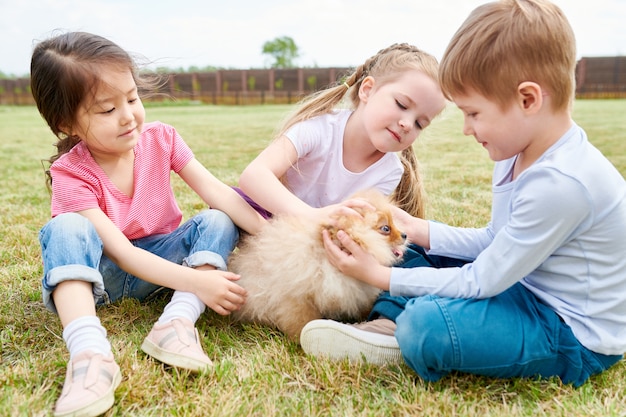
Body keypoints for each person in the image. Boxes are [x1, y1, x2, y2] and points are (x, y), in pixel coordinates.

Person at [300, 0, 626, 387]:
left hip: (568, 333)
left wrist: (377, 276)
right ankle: (386, 322)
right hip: (518, 287)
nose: (467, 129)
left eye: (473, 113)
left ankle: (402, 332)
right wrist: (420, 229)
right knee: (409, 250)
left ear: (527, 100)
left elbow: (481, 282)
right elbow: (494, 241)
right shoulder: (516, 153)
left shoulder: (563, 184)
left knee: (427, 324)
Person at [31, 32, 267, 417]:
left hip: (163, 267)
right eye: (106, 110)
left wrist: (272, 231)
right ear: (66, 123)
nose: (128, 116)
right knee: (65, 228)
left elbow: (219, 192)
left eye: (131, 98)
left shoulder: (162, 139)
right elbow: (122, 254)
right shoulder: (70, 174)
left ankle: (176, 323)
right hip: (102, 278)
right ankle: (90, 355)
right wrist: (198, 281)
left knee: (218, 217)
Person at [236, 43, 446, 221]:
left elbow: (349, 224)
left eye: (420, 123)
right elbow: (254, 176)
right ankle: (208, 268)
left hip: (310, 244)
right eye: (401, 104)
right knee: (218, 220)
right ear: (367, 90)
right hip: (265, 218)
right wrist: (312, 217)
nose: (408, 124)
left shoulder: (390, 171)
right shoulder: (318, 129)